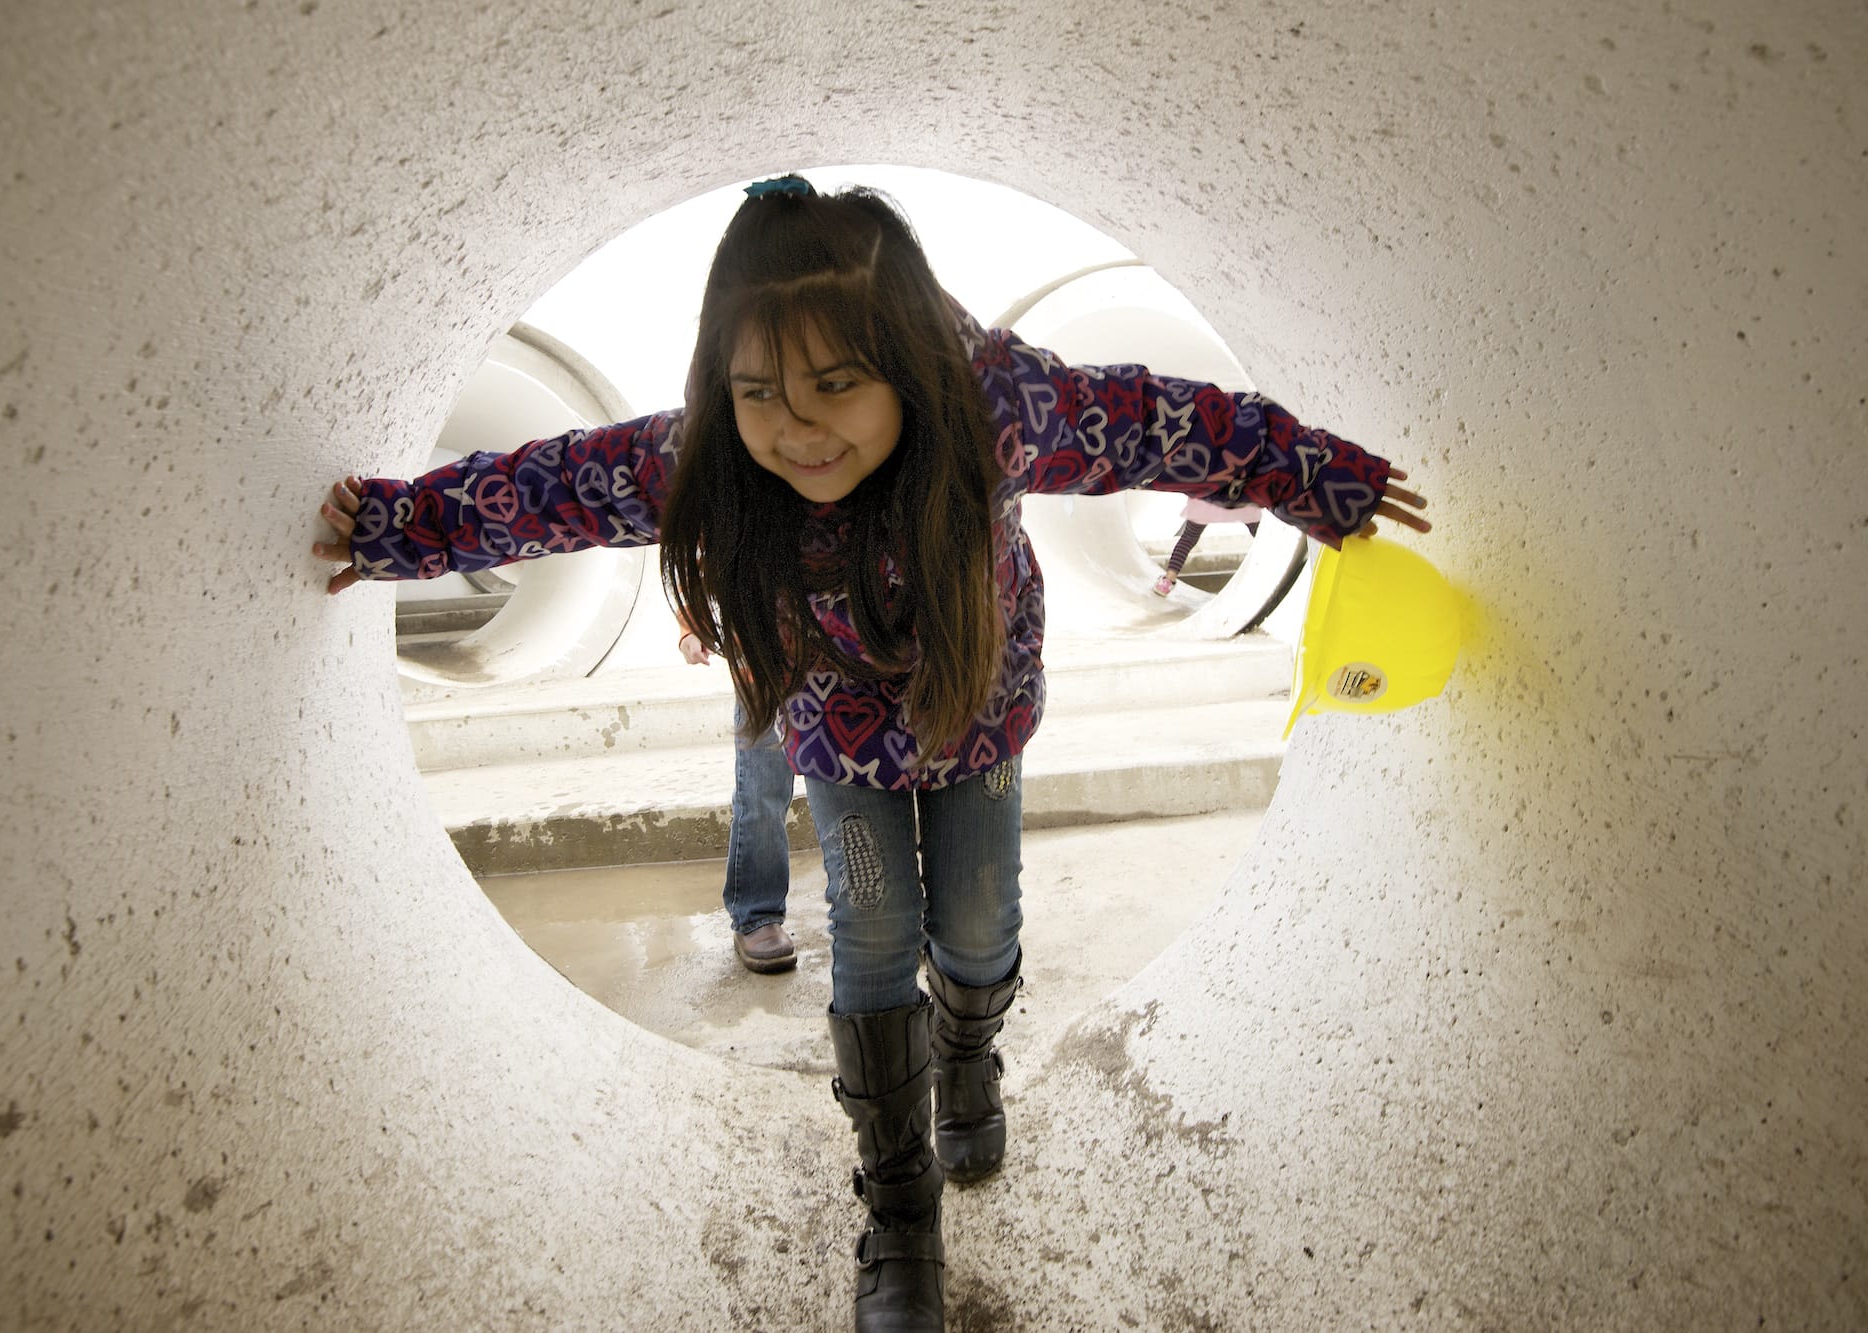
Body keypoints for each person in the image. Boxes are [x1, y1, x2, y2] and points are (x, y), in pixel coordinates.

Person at [312, 176, 1430, 1333]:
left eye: (836, 386)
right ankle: (899, 1206)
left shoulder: (997, 405)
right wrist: (392, 527)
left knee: (980, 923)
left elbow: (1157, 420)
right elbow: (552, 489)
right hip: (837, 728)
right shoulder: (715, 454)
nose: (797, 427)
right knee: (873, 925)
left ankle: (966, 1057)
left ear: (900, 360)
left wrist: (1313, 474)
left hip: (973, 705)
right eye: (758, 394)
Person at [675, 614, 799, 973]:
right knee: (762, 790)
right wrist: (690, 623)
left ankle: (876, 916)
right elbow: (692, 557)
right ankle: (757, 913)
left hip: (843, 652)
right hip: (761, 661)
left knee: (855, 789)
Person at [1153, 493, 1263, 596]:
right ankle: (1275, 565)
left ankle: (1168, 580)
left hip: (1208, 498)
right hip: (1240, 496)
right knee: (1260, 532)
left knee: (1188, 538)